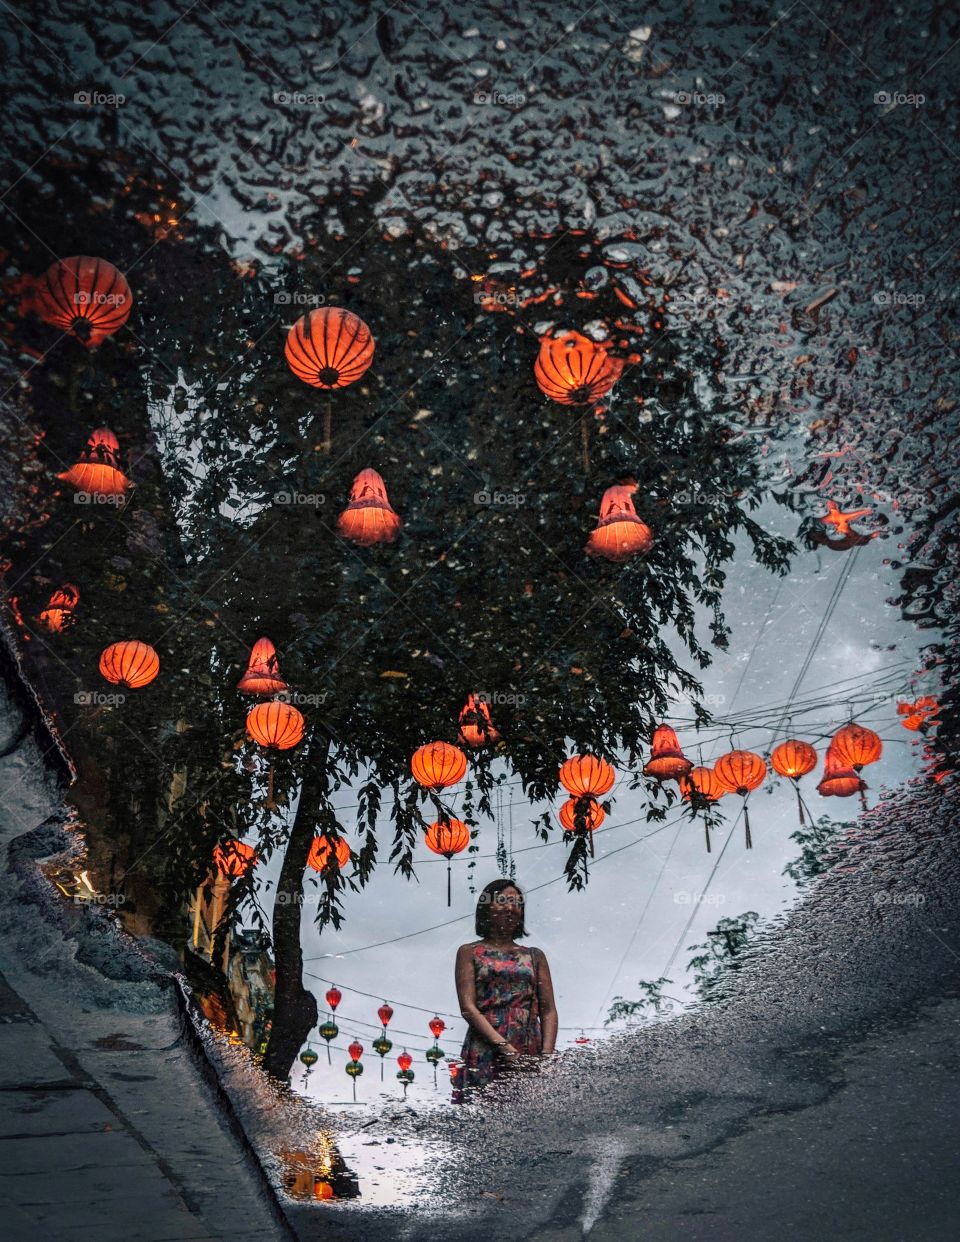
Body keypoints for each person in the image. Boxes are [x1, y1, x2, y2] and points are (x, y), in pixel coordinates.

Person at [452, 878, 557, 1102]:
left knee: (530, 1115)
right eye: (503, 901)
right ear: (486, 908)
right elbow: (468, 1008)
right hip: (486, 1045)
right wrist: (504, 1048)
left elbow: (548, 1011)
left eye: (517, 903)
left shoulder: (534, 956)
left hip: (529, 1046)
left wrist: (547, 1056)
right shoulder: (469, 952)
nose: (511, 908)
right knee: (483, 1113)